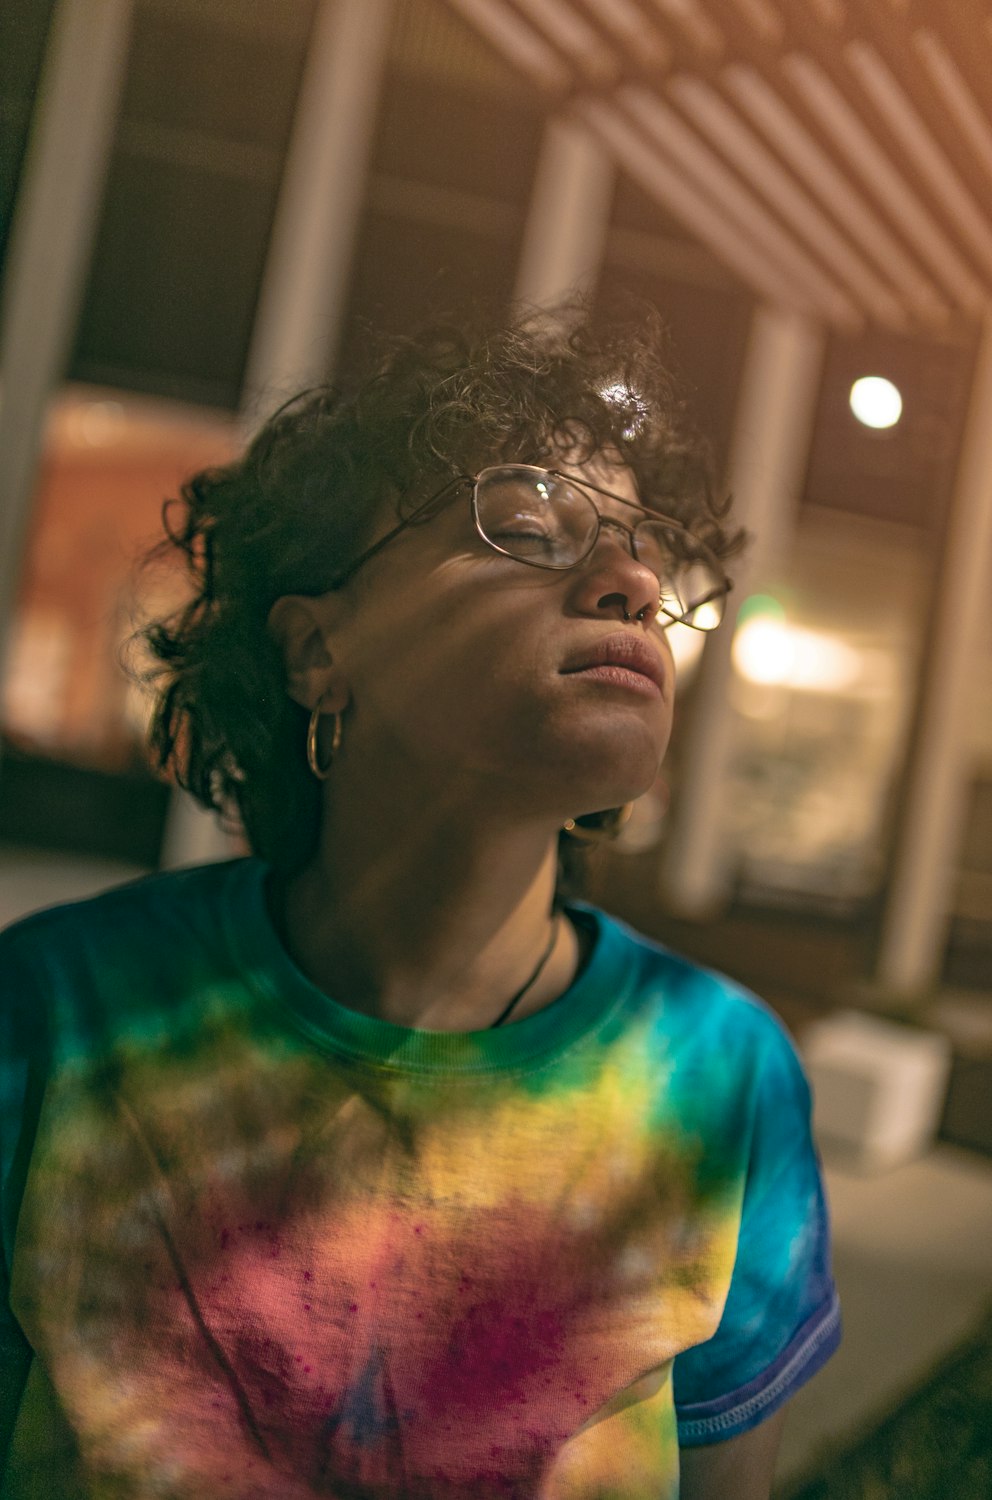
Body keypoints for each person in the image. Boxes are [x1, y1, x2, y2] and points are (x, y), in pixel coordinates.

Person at [0, 309, 840, 1499]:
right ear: (316, 652)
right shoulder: (60, 1014)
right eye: (528, 528)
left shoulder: (721, 1075)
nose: (635, 581)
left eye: (646, 551)